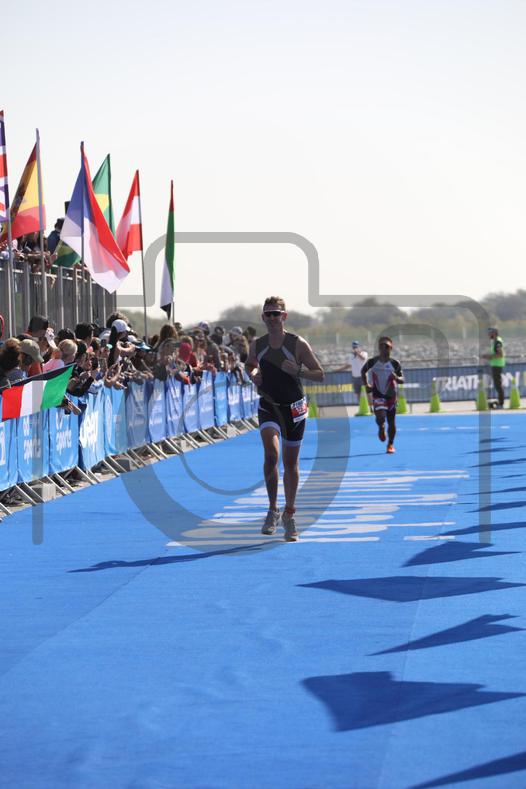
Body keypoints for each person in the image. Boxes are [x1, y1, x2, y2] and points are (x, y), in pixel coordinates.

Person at [246, 296, 324, 541]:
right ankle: (272, 509)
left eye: (276, 314)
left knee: (291, 463)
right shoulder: (258, 344)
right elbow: (250, 364)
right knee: (271, 455)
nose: (272, 318)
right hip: (269, 405)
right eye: (268, 314)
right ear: (263, 317)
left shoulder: (297, 343)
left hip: (294, 408)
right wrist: (254, 373)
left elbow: (319, 374)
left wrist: (299, 371)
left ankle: (289, 514)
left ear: (284, 316)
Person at [361, 336, 404, 454]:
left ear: (391, 348)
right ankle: (381, 427)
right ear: (379, 348)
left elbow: (402, 379)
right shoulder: (372, 362)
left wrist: (397, 378)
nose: (384, 348)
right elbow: (363, 371)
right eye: (382, 346)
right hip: (378, 394)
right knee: (380, 417)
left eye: (387, 346)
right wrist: (366, 384)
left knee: (391, 422)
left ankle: (390, 444)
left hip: (391, 396)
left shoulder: (395, 363)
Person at [484, 327, 505, 407]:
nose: (489, 335)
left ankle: (501, 403)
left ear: (494, 333)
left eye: (490, 333)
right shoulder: (495, 341)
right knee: (497, 385)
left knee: (498, 385)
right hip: (495, 365)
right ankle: (500, 402)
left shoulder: (498, 342)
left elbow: (500, 354)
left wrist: (489, 356)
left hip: (497, 365)